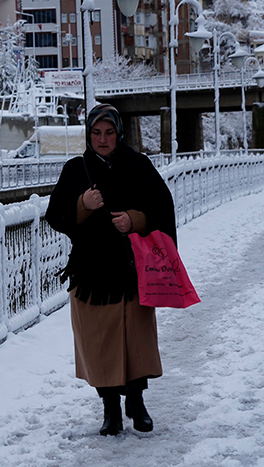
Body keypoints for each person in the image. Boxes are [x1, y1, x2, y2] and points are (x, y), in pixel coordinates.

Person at [44, 103, 176, 436]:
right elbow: (55, 216)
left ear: (119, 133)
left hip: (132, 270)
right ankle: (110, 410)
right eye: (96, 133)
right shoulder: (76, 170)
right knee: (100, 344)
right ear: (89, 135)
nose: (103, 139)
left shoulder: (138, 166)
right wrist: (82, 206)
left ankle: (137, 403)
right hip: (92, 274)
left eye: (109, 132)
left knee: (135, 340)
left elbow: (163, 207)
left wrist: (136, 219)